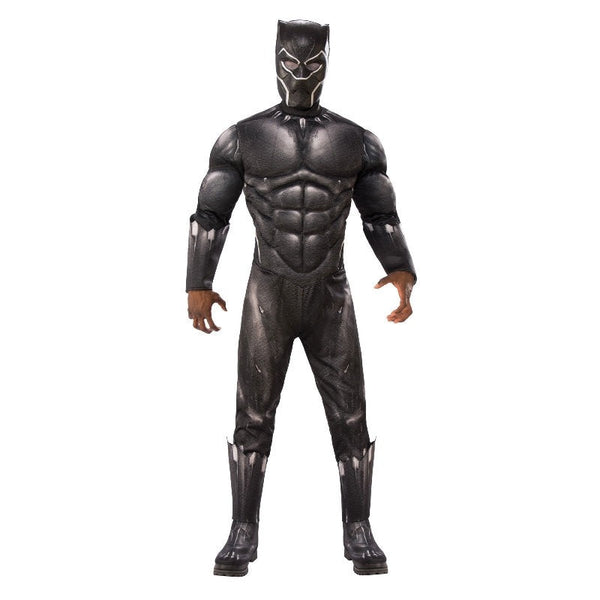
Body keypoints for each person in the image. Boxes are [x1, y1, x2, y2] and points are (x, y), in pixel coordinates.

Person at [186, 19, 416, 576]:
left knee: (351, 416)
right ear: (274, 60)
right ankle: (242, 531)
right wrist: (198, 283)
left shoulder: (356, 141)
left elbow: (380, 215)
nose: (300, 73)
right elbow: (210, 215)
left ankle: (359, 530)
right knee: (252, 416)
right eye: (290, 61)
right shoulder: (242, 137)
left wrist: (401, 269)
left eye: (313, 63)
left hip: (330, 294)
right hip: (267, 290)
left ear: (329, 63)